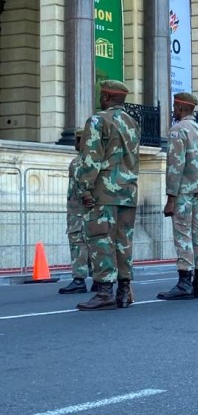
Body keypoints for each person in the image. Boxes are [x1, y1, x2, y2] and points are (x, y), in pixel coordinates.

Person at [75, 80, 140, 311]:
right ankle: (124, 290)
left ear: (105, 97)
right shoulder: (132, 123)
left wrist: (84, 187)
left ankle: (104, 292)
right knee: (123, 242)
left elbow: (91, 157)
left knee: (101, 239)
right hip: (128, 191)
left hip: (104, 192)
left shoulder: (98, 120)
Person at [158, 92, 198, 300]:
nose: (174, 110)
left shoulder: (177, 130)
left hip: (183, 191)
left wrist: (170, 198)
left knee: (183, 235)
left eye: (175, 107)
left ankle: (184, 282)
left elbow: (175, 165)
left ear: (180, 108)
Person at [58, 127, 91, 294]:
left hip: (78, 211)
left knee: (78, 244)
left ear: (80, 141)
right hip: (92, 213)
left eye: (76, 141)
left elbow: (80, 187)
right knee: (93, 245)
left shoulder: (78, 162)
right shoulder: (97, 160)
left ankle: (79, 279)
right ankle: (99, 280)